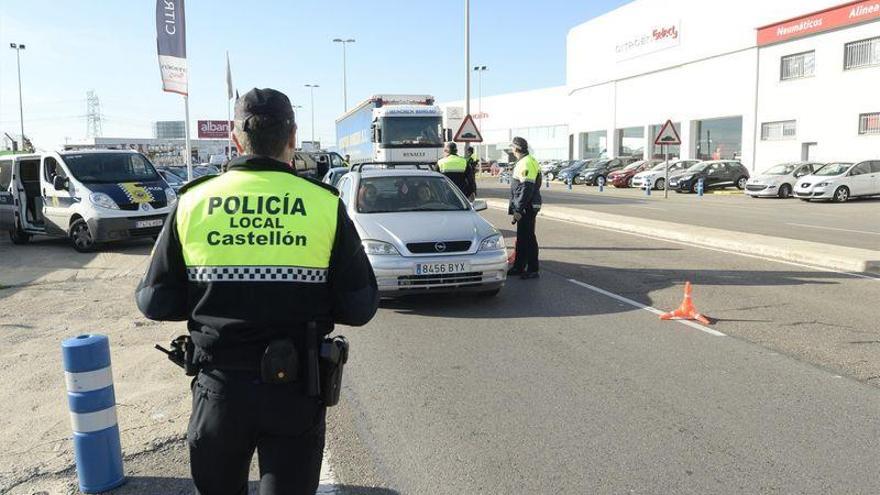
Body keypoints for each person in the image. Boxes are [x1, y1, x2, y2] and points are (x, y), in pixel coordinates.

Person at [135, 88, 378, 495]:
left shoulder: (194, 202)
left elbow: (154, 301)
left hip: (219, 390)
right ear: (292, 138)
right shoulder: (322, 205)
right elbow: (360, 306)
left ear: (235, 139)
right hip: (296, 391)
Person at [508, 136, 542, 279]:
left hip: (526, 206)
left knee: (528, 237)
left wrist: (519, 209)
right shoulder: (529, 160)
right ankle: (519, 266)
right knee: (523, 238)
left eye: (512, 148)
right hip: (528, 204)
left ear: (516, 149)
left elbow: (525, 188)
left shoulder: (525, 163)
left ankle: (533, 269)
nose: (511, 151)